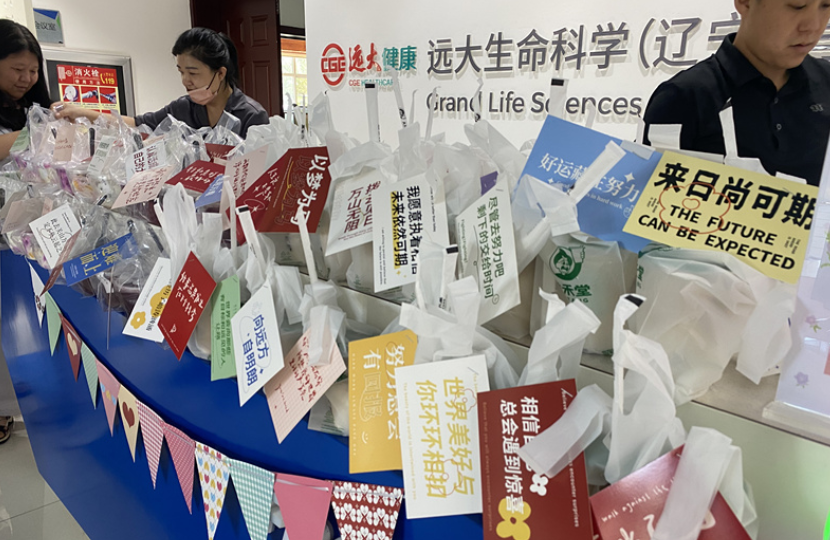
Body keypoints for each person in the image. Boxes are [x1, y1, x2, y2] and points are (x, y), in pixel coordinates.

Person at [643, 0, 830, 186]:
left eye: (826, 5)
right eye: (797, 6)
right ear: (745, 2)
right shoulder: (683, 97)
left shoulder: (826, 81)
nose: (813, 26)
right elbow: (646, 203)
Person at [56, 28, 269, 138]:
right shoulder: (183, 108)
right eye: (181, 71)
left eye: (193, 72)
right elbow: (136, 124)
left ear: (220, 73)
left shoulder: (251, 116)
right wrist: (82, 111)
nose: (185, 81)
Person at [0, 19, 52, 164]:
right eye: (18, 69)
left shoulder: (38, 109)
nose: (26, 78)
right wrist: (37, 133)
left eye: (33, 71)